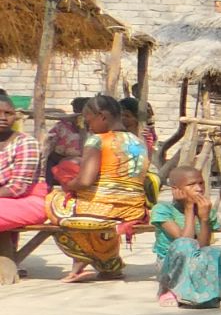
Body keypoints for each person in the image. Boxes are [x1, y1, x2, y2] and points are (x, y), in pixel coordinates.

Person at [46, 94, 150, 282]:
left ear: (102, 116)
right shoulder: (138, 141)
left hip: (104, 207)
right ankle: (108, 265)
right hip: (134, 209)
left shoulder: (97, 140)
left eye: (88, 120)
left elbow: (85, 181)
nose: (88, 126)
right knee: (95, 218)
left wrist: (69, 185)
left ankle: (81, 260)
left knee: (54, 202)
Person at [150, 164, 221, 308]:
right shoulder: (163, 209)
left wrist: (204, 218)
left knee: (216, 252)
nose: (199, 188)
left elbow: (203, 246)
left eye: (201, 183)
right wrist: (189, 208)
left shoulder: (206, 210)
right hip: (170, 265)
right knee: (185, 245)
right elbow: (184, 241)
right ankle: (169, 290)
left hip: (196, 260)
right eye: (191, 184)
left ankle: (215, 293)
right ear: (176, 189)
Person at [0, 91, 49, 239]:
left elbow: (17, 188)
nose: (2, 118)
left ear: (15, 116)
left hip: (27, 201)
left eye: (8, 113)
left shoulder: (26, 143)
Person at [44, 97, 88, 187]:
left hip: (84, 165)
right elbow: (48, 147)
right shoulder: (62, 126)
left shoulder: (94, 128)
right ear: (75, 110)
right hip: (59, 162)